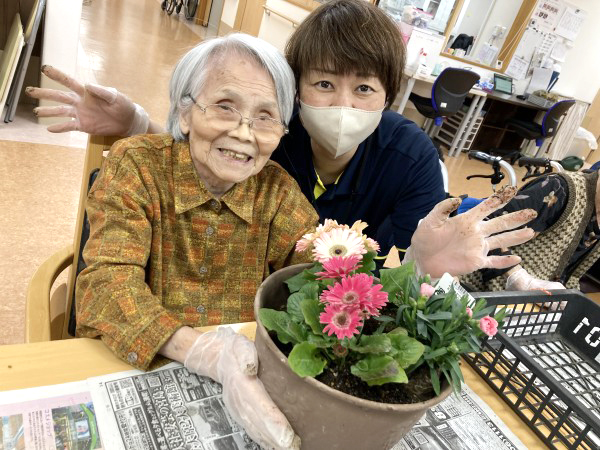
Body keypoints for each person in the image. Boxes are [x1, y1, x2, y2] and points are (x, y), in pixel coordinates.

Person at [27, 1, 536, 278]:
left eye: (363, 89)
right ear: (295, 92)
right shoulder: (272, 134)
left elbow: (382, 274)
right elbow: (208, 155)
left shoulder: (412, 160)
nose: (343, 106)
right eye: (323, 84)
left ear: (389, 96)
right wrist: (139, 122)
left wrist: (426, 267)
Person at [75, 33, 316, 449]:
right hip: (139, 364)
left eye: (265, 117)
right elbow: (106, 286)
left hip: (249, 381)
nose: (244, 133)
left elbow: (317, 281)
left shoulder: (278, 194)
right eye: (225, 107)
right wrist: (204, 351)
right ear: (184, 113)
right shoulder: (136, 167)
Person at [462, 170, 600, 292]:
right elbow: (483, 228)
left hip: (533, 305)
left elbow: (571, 275)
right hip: (481, 290)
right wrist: (517, 277)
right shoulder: (559, 189)